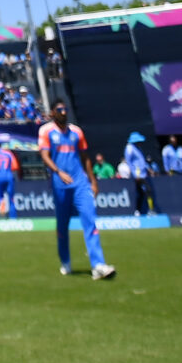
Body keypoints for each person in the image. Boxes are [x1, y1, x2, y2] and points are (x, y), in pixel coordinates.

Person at [38, 102, 116, 280]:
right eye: (59, 110)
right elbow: (44, 155)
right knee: (62, 225)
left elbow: (85, 157)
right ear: (52, 112)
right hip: (60, 183)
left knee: (90, 220)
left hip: (80, 182)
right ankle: (65, 261)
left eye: (65, 109)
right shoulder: (45, 131)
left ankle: (98, 265)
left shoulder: (76, 132)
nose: (64, 112)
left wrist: (93, 181)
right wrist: (58, 172)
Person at [123, 131, 156, 215]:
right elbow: (129, 162)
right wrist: (135, 174)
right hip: (138, 174)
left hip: (143, 173)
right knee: (148, 190)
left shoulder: (139, 148)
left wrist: (148, 169)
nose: (140, 143)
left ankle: (137, 211)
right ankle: (151, 210)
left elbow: (142, 161)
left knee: (141, 193)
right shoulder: (129, 148)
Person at [0, 139, 20, 217]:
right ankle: (13, 217)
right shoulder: (8, 153)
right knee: (11, 197)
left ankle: (2, 216)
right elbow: (15, 166)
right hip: (9, 176)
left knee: (0, 197)